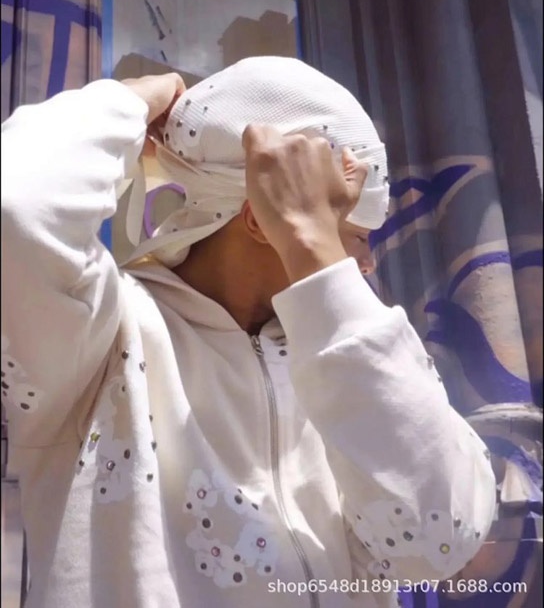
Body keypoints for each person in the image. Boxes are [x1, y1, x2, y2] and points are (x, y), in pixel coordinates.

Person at [1, 57, 496, 608]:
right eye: (356, 235)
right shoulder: (100, 336)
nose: (365, 264)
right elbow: (14, 207)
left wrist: (323, 278)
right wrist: (130, 99)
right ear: (262, 219)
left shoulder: (355, 352)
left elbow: (443, 540)